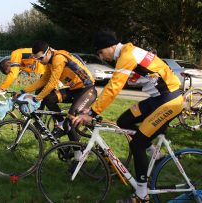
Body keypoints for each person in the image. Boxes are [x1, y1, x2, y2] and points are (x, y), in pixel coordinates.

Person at [72, 28, 184, 202]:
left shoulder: (127, 56)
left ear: (109, 47)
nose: (101, 57)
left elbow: (114, 87)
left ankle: (141, 195)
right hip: (157, 98)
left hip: (169, 100)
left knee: (137, 144)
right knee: (124, 121)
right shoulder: (127, 52)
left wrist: (92, 112)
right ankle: (155, 153)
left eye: (101, 52)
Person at [21, 41, 97, 160]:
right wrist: (24, 91)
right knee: (49, 98)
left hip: (87, 90)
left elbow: (52, 83)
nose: (40, 61)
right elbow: (43, 80)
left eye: (40, 58)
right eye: (37, 59)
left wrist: (37, 98)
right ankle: (61, 124)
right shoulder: (49, 62)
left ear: (48, 52)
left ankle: (79, 156)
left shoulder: (58, 58)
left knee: (69, 122)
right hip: (75, 90)